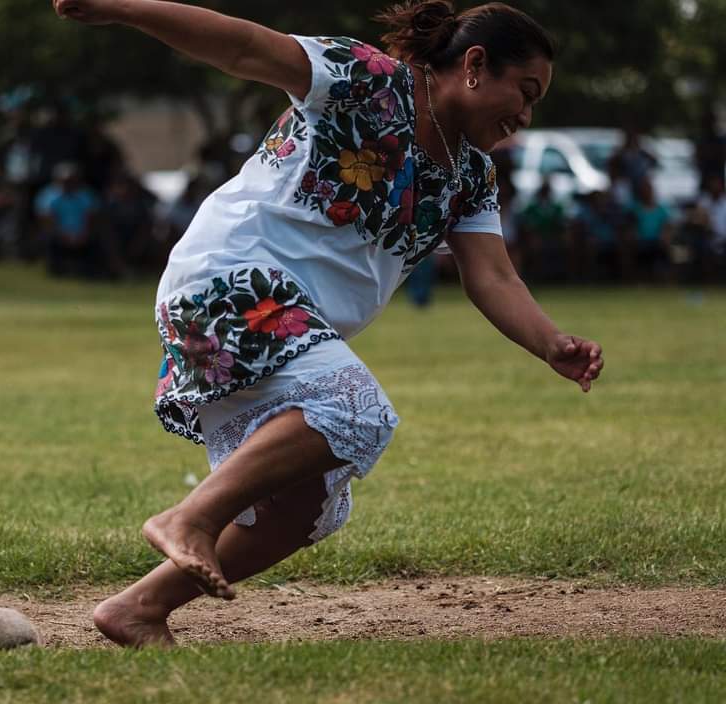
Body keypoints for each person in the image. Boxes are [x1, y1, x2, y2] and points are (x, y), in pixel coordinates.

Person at [52, 0, 604, 648]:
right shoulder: (366, 78)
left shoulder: (470, 176)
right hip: (229, 279)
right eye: (526, 92)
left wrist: (550, 342)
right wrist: (119, 7)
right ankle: (190, 517)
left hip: (286, 318)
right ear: (476, 65)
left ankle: (140, 607)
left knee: (302, 509)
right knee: (357, 411)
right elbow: (242, 48)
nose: (525, 116)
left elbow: (494, 276)